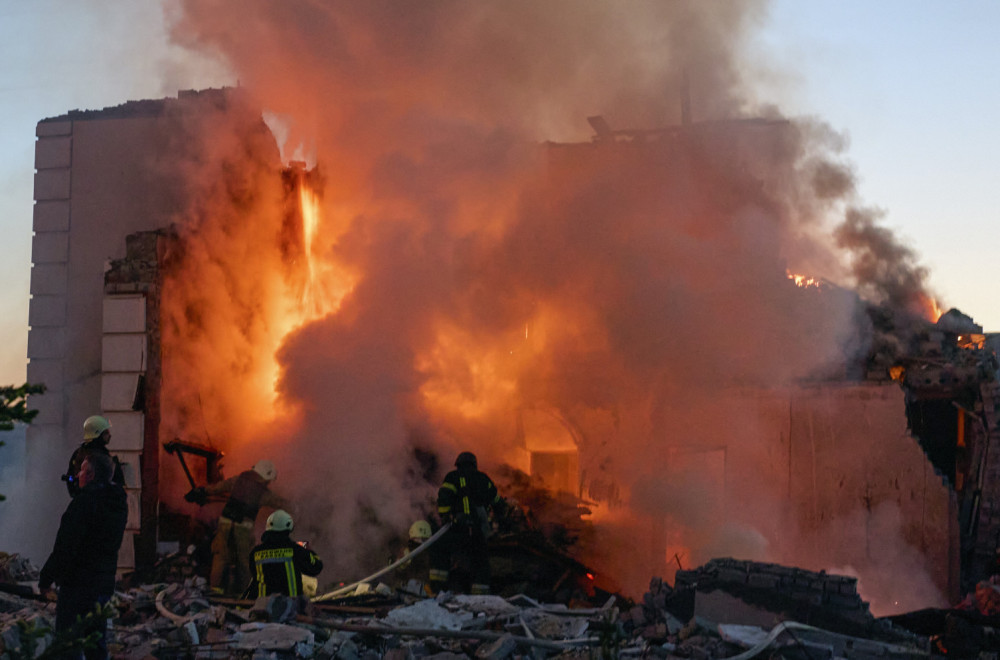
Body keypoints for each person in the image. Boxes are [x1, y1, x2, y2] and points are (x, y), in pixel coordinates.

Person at [39, 453, 128, 660]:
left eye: (81, 470)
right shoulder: (118, 503)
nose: (77, 474)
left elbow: (65, 547)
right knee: (96, 642)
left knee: (67, 643)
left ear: (90, 474)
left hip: (77, 586)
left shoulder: (84, 504)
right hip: (103, 584)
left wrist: (46, 578)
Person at [186, 459, 289, 595]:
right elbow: (279, 502)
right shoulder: (264, 493)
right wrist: (297, 507)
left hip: (225, 523)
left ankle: (215, 592)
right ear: (265, 477)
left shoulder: (238, 480)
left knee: (220, 557)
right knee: (245, 563)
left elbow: (218, 487)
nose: (268, 483)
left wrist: (201, 491)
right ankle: (245, 594)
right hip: (243, 528)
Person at [429, 451, 507, 595]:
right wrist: (501, 520)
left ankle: (437, 590)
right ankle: (480, 596)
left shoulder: (453, 477)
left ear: (458, 465)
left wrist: (446, 516)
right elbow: (497, 502)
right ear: (474, 465)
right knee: (481, 561)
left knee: (439, 548)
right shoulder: (483, 479)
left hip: (457, 529)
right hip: (478, 531)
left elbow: (444, 497)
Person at [248, 509, 323, 599]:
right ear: (289, 527)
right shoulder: (295, 550)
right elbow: (316, 567)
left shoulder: (255, 553)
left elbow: (254, 573)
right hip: (291, 607)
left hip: (262, 608)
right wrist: (309, 550)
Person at [62, 415, 124, 497]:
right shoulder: (100, 457)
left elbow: (70, 478)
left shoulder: (80, 453)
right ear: (97, 434)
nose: (109, 435)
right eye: (105, 433)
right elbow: (71, 478)